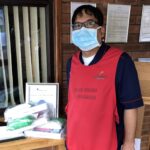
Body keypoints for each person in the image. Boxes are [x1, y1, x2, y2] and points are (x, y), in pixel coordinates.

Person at [65, 5, 143, 150]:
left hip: (106, 143)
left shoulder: (121, 61)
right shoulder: (72, 63)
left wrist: (129, 143)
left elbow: (131, 107)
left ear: (101, 31)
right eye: (77, 26)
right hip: (75, 142)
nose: (82, 29)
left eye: (89, 24)